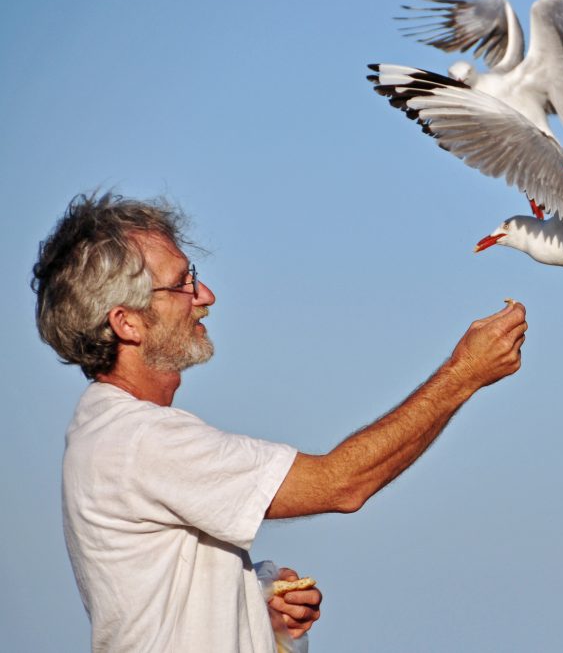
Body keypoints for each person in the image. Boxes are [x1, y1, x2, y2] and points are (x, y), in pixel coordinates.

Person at [32, 191, 528, 652]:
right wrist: (463, 374)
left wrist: (257, 606)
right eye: (182, 282)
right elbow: (341, 484)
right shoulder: (140, 440)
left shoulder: (114, 435)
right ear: (128, 323)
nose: (205, 295)